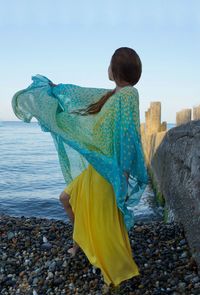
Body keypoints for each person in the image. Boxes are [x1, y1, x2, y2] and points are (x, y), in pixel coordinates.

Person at [12, 47, 149, 288]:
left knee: (104, 220)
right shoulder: (114, 95)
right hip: (98, 167)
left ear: (115, 70)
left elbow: (128, 135)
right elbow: (82, 96)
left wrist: (123, 174)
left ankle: (115, 267)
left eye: (109, 64)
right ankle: (81, 243)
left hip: (109, 171)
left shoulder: (128, 95)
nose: (106, 68)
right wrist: (56, 91)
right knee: (66, 198)